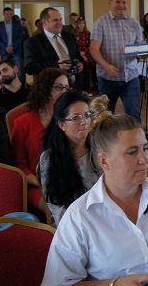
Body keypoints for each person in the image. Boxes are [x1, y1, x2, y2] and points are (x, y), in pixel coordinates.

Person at [41, 114, 148, 286]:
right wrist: (114, 284)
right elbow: (58, 283)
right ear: (104, 161)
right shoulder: (80, 217)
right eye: (132, 152)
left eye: (145, 148)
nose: (144, 159)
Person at [38, 90, 101, 225]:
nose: (84, 122)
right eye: (76, 117)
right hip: (73, 226)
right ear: (62, 124)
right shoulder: (50, 159)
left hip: (104, 218)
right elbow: (57, 208)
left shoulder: (99, 148)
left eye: (87, 115)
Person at [11, 68, 71, 210]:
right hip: (37, 184)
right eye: (58, 87)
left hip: (69, 178)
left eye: (67, 88)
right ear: (44, 89)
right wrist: (40, 182)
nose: (64, 92)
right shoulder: (22, 122)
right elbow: (19, 164)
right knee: (62, 211)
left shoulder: (70, 118)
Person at [90, 0, 144, 121]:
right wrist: (105, 65)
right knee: (105, 117)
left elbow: (140, 47)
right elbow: (93, 49)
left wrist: (144, 53)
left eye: (124, 2)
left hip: (131, 78)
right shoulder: (100, 23)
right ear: (110, 3)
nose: (121, 5)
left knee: (134, 116)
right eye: (117, 2)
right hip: (107, 79)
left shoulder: (134, 23)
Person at [24, 7, 84, 81]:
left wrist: (80, 63)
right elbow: (30, 67)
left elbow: (77, 56)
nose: (60, 23)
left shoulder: (69, 37)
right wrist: (56, 66)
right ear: (44, 22)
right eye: (55, 20)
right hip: (49, 84)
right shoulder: (32, 42)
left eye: (60, 19)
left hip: (74, 83)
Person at [0, 7, 28, 80]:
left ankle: (22, 85)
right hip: (4, 52)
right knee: (6, 70)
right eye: (7, 14)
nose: (9, 16)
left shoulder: (18, 25)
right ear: (3, 14)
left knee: (20, 71)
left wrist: (13, 47)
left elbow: (21, 37)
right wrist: (6, 48)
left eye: (10, 14)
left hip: (16, 51)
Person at [73, 16, 96, 92]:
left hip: (87, 55)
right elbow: (73, 45)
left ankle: (87, 90)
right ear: (77, 24)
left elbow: (90, 44)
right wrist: (79, 53)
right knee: (80, 74)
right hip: (77, 55)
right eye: (79, 23)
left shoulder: (87, 33)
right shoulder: (73, 34)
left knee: (87, 73)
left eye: (83, 23)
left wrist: (85, 52)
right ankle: (80, 91)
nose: (81, 25)